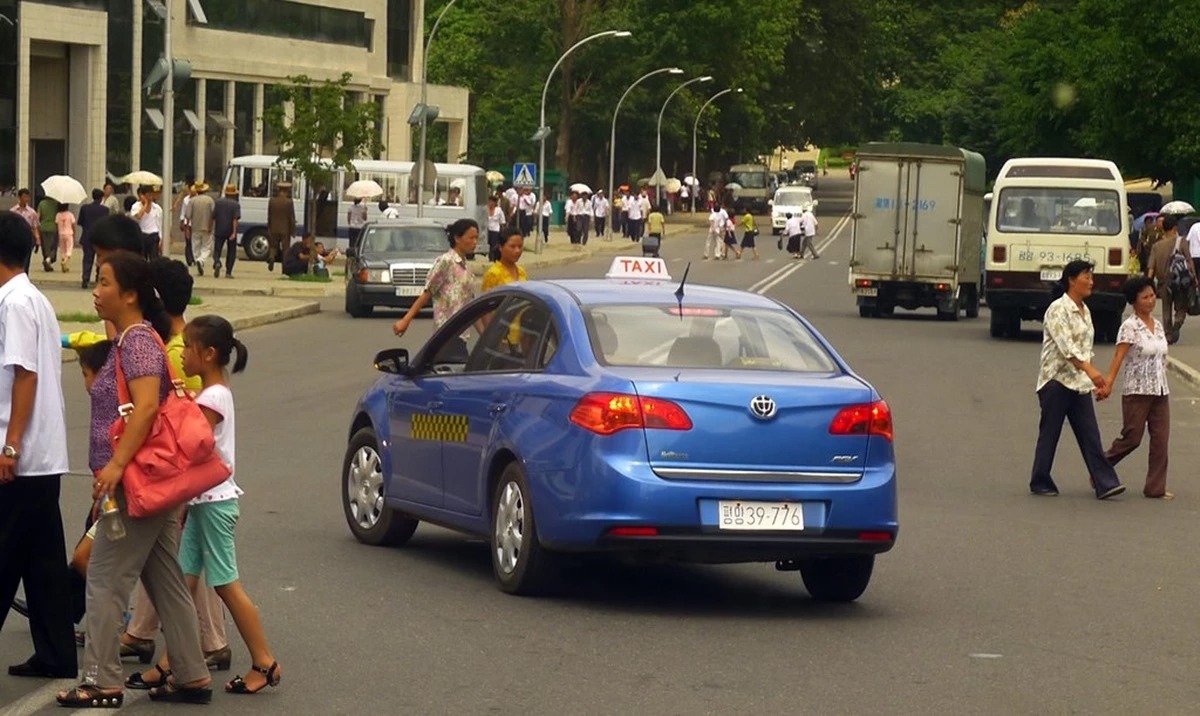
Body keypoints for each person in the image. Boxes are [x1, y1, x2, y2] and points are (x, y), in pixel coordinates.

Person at [58, 252, 212, 707]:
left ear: (130, 294)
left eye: (103, 282)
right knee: (165, 580)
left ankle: (103, 680)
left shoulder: (140, 342)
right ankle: (191, 674)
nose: (95, 289)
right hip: (148, 481)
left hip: (137, 483)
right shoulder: (131, 339)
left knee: (104, 579)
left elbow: (145, 407)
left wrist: (115, 467)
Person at [133, 315, 282, 696]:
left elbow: (189, 442)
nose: (181, 356)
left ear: (209, 354)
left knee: (226, 585)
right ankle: (172, 662)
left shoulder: (213, 397)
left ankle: (264, 662)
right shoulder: (211, 393)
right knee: (183, 583)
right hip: (203, 503)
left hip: (215, 504)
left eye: (188, 349)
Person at [120, 259, 230, 678]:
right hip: (194, 477)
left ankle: (200, 643)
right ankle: (182, 637)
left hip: (180, 472)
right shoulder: (188, 346)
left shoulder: (175, 354)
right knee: (182, 559)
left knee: (177, 561)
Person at [0, 212, 76, 679]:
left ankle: (55, 653)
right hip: (43, 455)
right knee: (41, 564)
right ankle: (56, 654)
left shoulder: (13, 303)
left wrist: (10, 446)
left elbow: (23, 373)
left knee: (5, 555)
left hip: (21, 457)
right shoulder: (36, 300)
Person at [1029, 259, 1127, 500]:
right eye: (1086, 276)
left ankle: (1105, 483)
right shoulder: (1057, 309)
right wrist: (1091, 371)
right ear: (1072, 280)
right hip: (1056, 380)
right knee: (1050, 432)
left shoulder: (1085, 311)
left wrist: (1094, 378)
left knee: (1090, 433)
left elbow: (1085, 348)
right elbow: (1067, 348)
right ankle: (1040, 479)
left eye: (1092, 277)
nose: (1091, 282)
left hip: (1078, 382)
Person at [1101, 277, 1173, 500]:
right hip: (1137, 391)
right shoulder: (1129, 327)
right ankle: (1099, 468)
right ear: (1134, 301)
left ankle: (1155, 488)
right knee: (1132, 438)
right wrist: (1108, 384)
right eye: (1145, 297)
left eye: (1152, 296)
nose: (1151, 301)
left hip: (1160, 390)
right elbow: (1119, 357)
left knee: (1161, 440)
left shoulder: (1158, 325)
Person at [393, 219, 479, 341]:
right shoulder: (446, 261)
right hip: (446, 333)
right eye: (471, 238)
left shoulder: (466, 268)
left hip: (462, 333)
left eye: (476, 238)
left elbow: (470, 303)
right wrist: (406, 320)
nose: (474, 242)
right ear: (457, 238)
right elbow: (428, 292)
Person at [1146, 213, 1197, 344]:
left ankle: (1168, 335)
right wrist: (1194, 278)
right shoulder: (1182, 242)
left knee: (1166, 308)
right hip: (1180, 282)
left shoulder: (1157, 246)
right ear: (1175, 227)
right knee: (1181, 307)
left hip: (1163, 283)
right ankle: (1177, 324)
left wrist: (1147, 283)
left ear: (1163, 228)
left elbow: (1151, 267)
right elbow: (1189, 261)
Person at [78, 189, 110, 289]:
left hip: (87, 236)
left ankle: (85, 278)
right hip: (100, 238)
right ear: (101, 198)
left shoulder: (85, 208)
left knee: (87, 258)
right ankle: (98, 278)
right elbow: (106, 224)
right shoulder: (105, 210)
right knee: (101, 258)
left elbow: (81, 222)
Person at [185, 181, 216, 276]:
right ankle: (201, 260)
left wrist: (187, 228)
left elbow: (188, 216)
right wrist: (211, 226)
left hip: (195, 227)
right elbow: (213, 214)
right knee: (207, 247)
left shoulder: (192, 201)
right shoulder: (210, 200)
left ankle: (198, 260)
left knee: (195, 247)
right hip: (207, 226)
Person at [212, 184, 241, 279]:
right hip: (230, 230)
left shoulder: (218, 202)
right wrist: (234, 232)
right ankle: (228, 272)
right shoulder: (236, 205)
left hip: (219, 229)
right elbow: (235, 219)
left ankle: (217, 262)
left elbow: (213, 216)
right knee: (231, 252)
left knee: (217, 250)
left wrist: (210, 227)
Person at [266, 183, 295, 272]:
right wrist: (293, 230)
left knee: (273, 246)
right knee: (286, 248)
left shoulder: (272, 201)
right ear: (286, 191)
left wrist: (269, 227)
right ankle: (285, 267)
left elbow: (269, 215)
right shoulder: (289, 202)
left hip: (273, 228)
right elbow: (291, 217)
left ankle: (271, 257)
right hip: (285, 229)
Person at [131, 184, 164, 259]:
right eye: (148, 195)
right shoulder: (136, 206)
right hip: (142, 234)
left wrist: (161, 239)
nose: (150, 198)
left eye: (151, 195)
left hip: (154, 235)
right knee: (142, 258)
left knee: (154, 258)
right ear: (142, 195)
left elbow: (159, 224)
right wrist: (145, 204)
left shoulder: (157, 208)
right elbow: (138, 216)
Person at [173, 177, 196, 266]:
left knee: (195, 242)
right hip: (188, 223)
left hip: (196, 223)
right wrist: (182, 221)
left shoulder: (197, 199)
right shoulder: (186, 199)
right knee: (188, 241)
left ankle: (195, 258)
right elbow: (183, 211)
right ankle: (189, 259)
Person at [37, 194, 59, 271]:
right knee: (53, 246)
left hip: (43, 227)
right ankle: (48, 261)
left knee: (45, 247)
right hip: (53, 227)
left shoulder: (41, 203)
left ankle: (47, 264)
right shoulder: (56, 204)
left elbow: (38, 216)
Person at [55, 201, 77, 274]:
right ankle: (65, 261)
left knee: (62, 249)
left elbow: (56, 224)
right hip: (69, 233)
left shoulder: (58, 215)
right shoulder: (70, 214)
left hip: (61, 234)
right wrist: (74, 233)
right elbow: (73, 224)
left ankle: (64, 265)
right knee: (69, 248)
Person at [485, 195, 505, 261]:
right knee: (488, 244)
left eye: (491, 202)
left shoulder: (498, 210)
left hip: (495, 230)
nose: (490, 203)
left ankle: (493, 258)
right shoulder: (485, 209)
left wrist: (503, 230)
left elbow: (502, 221)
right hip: (487, 230)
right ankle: (489, 257)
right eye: (489, 201)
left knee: (494, 245)